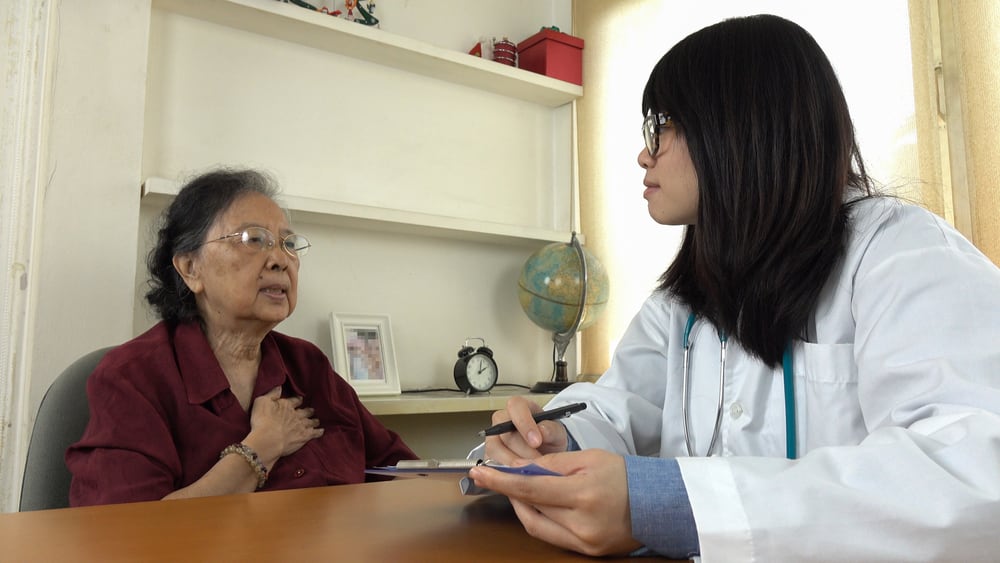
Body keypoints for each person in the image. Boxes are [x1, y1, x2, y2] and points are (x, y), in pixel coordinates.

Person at [468, 14, 1000, 561]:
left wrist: (671, 505)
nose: (644, 153)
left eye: (663, 124)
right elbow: (621, 404)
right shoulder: (684, 297)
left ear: (738, 126)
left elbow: (974, 474)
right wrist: (559, 442)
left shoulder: (900, 252)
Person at [67, 168, 416, 505]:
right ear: (191, 268)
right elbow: (125, 532)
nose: (280, 259)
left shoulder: (308, 366)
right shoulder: (133, 378)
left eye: (288, 243)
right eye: (254, 239)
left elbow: (399, 471)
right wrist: (262, 447)